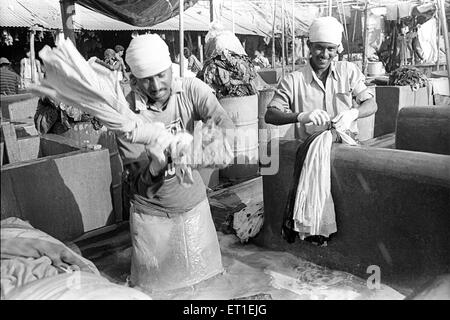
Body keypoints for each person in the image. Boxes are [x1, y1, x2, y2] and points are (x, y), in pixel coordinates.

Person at [117, 34, 235, 290]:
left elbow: (221, 119)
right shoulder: (126, 115)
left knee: (209, 285)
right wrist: (156, 166)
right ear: (133, 79)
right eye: (146, 79)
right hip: (152, 217)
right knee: (157, 289)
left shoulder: (191, 89)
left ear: (171, 69)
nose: (156, 85)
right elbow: (140, 185)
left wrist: (214, 139)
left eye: (161, 75)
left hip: (194, 208)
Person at [265, 16, 377, 142]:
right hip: (310, 150)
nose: (324, 54)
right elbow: (270, 115)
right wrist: (301, 116)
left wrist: (353, 114)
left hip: (346, 147)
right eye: (319, 47)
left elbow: (371, 104)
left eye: (330, 49)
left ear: (337, 50)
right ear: (309, 46)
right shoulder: (293, 80)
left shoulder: (348, 71)